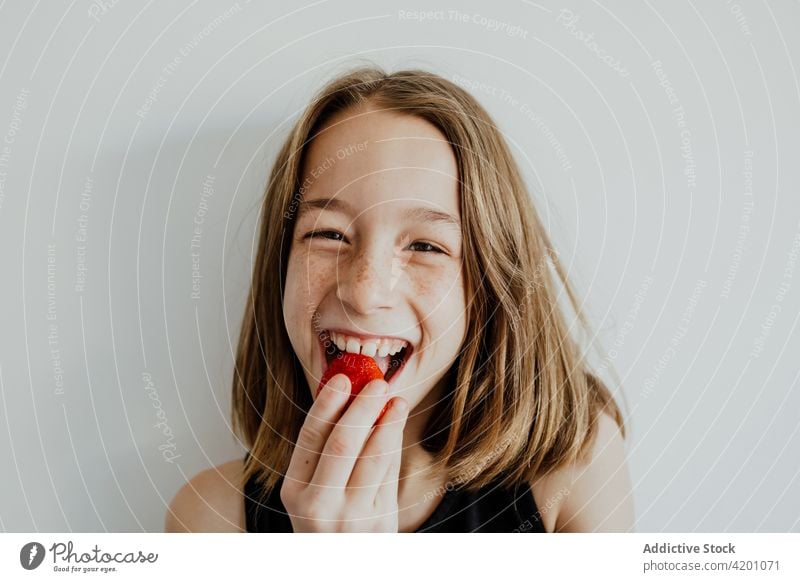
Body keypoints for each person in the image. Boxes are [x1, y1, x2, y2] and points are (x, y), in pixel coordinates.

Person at [165, 66, 634, 533]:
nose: (365, 293)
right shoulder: (210, 517)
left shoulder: (571, 470)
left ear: (489, 287)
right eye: (328, 234)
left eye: (425, 247)